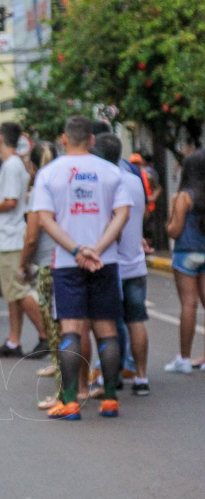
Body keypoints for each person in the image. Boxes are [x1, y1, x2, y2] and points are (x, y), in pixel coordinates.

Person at [32, 115, 132, 420]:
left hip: (67, 263)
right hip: (105, 261)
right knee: (107, 330)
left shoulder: (49, 174)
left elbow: (45, 220)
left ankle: (71, 401)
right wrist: (98, 248)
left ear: (64, 139)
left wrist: (76, 250)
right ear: (91, 139)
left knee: (71, 331)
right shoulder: (111, 171)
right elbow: (122, 214)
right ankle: (111, 399)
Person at [0, 122, 49, 359]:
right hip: (8, 236)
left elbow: (10, 202)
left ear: (0, 138)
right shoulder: (14, 165)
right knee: (12, 292)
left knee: (18, 289)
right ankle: (14, 340)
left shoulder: (11, 166)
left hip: (10, 236)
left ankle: (46, 335)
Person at [94, 134, 151, 395]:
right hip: (136, 264)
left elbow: (111, 226)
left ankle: (112, 376)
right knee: (136, 321)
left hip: (113, 264)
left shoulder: (107, 183)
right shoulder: (135, 181)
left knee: (110, 326)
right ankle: (141, 378)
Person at [19, 143, 66, 409]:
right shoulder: (63, 184)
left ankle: (64, 393)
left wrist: (22, 264)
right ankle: (78, 386)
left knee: (56, 332)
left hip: (49, 265)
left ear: (33, 166)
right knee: (72, 329)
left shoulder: (39, 190)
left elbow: (32, 235)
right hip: (71, 261)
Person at [163, 150, 205, 374]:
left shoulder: (184, 197)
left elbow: (175, 231)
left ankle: (185, 358)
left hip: (186, 254)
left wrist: (169, 219)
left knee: (189, 305)